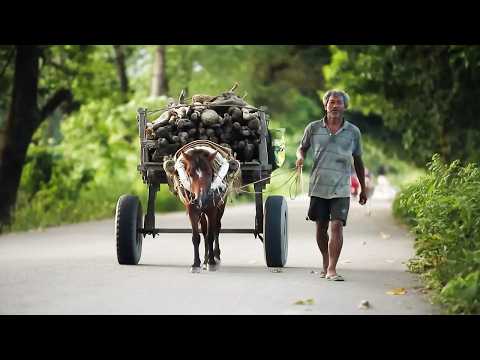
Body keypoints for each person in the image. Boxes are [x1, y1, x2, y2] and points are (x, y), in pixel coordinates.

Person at [296, 90, 367, 281]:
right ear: (325, 106)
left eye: (339, 103)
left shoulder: (353, 132)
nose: (335, 106)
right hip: (319, 185)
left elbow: (358, 160)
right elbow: (302, 148)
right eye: (331, 102)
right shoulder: (313, 128)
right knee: (321, 228)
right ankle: (325, 260)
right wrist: (300, 158)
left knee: (337, 226)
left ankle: (332, 269)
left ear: (345, 107)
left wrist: (362, 187)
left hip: (341, 186)